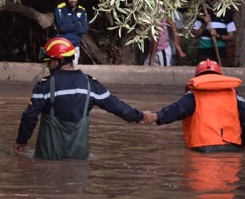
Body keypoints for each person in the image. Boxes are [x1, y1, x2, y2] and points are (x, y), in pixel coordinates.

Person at [14, 37, 150, 160]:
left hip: (49, 157)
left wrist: (21, 141)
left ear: (59, 61)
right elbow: (116, 106)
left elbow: (29, 116)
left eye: (49, 62)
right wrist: (140, 116)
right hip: (79, 158)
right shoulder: (90, 85)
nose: (48, 66)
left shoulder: (44, 86)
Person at [142, 59, 245, 153]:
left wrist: (156, 116)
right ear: (219, 75)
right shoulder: (234, 95)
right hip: (232, 148)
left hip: (203, 148)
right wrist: (244, 143)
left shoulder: (193, 94)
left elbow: (177, 110)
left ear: (198, 76)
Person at [191, 0, 236, 64]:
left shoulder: (227, 16)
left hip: (220, 50)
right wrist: (205, 23)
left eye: (218, 1)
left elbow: (231, 37)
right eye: (214, 1)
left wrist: (217, 35)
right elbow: (195, 35)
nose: (216, 3)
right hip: (204, 51)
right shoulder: (202, 15)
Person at [54, 0, 88, 66]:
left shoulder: (82, 10)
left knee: (73, 69)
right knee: (61, 69)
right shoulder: (60, 8)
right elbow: (62, 27)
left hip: (75, 46)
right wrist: (76, 24)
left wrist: (69, 25)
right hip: (62, 45)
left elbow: (84, 30)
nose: (72, 0)